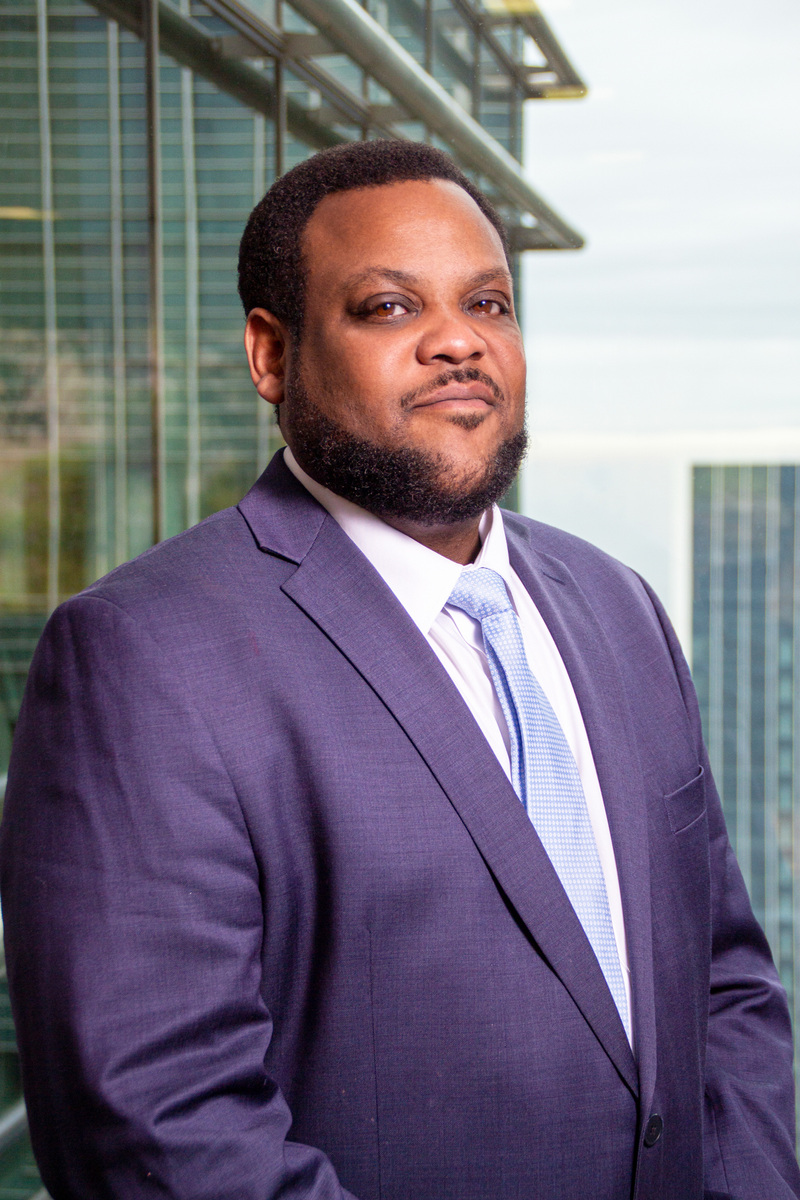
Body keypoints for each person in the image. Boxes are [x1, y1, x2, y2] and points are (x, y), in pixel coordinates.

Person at [1, 139, 798, 1200]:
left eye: (488, 304)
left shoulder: (617, 607)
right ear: (270, 356)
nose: (457, 344)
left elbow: (723, 984)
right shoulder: (143, 656)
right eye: (387, 308)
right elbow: (157, 1125)